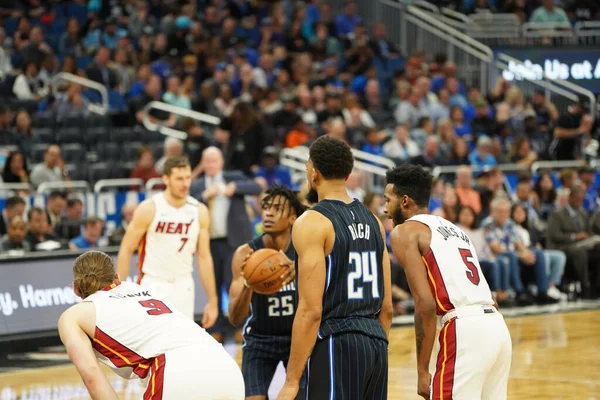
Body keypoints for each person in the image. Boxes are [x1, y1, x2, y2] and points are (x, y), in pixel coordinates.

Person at [277, 136, 393, 400]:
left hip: (336, 343)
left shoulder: (312, 221)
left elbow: (310, 310)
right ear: (347, 172)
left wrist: (292, 381)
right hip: (376, 342)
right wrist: (374, 346)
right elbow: (387, 307)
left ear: (314, 172)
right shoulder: (374, 221)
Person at [384, 163, 511, 400]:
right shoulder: (454, 228)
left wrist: (422, 370)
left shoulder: (404, 232)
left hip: (464, 330)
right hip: (497, 327)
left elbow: (425, 304)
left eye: (387, 200)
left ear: (404, 201)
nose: (384, 209)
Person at [58, 250, 244, 400]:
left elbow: (91, 375)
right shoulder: (141, 289)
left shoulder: (72, 316)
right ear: (116, 278)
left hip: (176, 373)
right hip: (225, 366)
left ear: (75, 288)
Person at [117, 156, 219, 325]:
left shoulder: (199, 211)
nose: (185, 184)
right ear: (165, 179)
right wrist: (118, 292)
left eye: (188, 178)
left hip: (184, 283)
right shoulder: (149, 208)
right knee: (151, 344)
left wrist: (213, 301)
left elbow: (204, 257)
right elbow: (126, 250)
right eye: (179, 179)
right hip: (153, 282)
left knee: (182, 344)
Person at [228, 185, 305, 400]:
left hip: (297, 337)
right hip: (260, 338)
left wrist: (300, 268)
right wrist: (247, 284)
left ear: (292, 218)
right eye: (266, 207)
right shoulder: (246, 253)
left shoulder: (304, 251)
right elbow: (235, 318)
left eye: (277, 208)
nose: (269, 212)